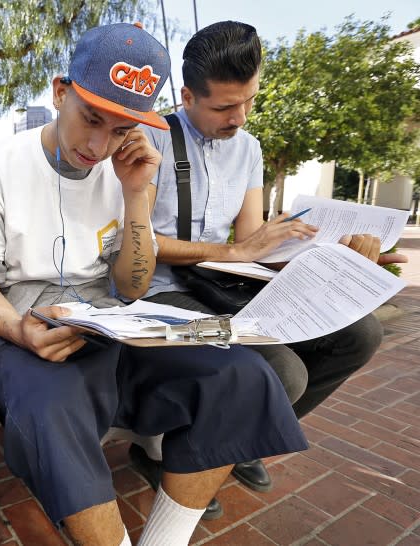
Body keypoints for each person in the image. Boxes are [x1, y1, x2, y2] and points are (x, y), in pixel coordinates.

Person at [0, 22, 307, 546]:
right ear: (59, 92)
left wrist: (137, 197)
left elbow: (134, 288)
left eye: (120, 130)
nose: (98, 145)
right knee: (50, 408)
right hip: (29, 327)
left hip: (113, 322)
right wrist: (23, 333)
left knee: (243, 376)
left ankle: (165, 539)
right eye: (90, 118)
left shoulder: (124, 169)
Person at [136, 20, 406, 505]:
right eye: (223, 106)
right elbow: (135, 243)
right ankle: (174, 463)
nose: (239, 117)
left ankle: (243, 439)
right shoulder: (149, 140)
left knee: (362, 334)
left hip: (224, 286)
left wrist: (324, 251)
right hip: (159, 292)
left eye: (250, 101)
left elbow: (250, 242)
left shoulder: (249, 149)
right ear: (186, 96)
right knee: (285, 372)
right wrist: (236, 252)